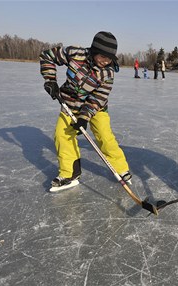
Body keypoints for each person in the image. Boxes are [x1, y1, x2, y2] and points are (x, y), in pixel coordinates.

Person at [40, 31, 133, 192]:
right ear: (94, 51)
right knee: (62, 135)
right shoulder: (75, 54)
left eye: (109, 58)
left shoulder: (108, 73)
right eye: (103, 56)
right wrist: (50, 80)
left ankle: (121, 168)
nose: (106, 61)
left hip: (96, 108)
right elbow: (47, 56)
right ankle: (70, 174)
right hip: (70, 103)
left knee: (104, 135)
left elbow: (97, 98)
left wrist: (84, 117)